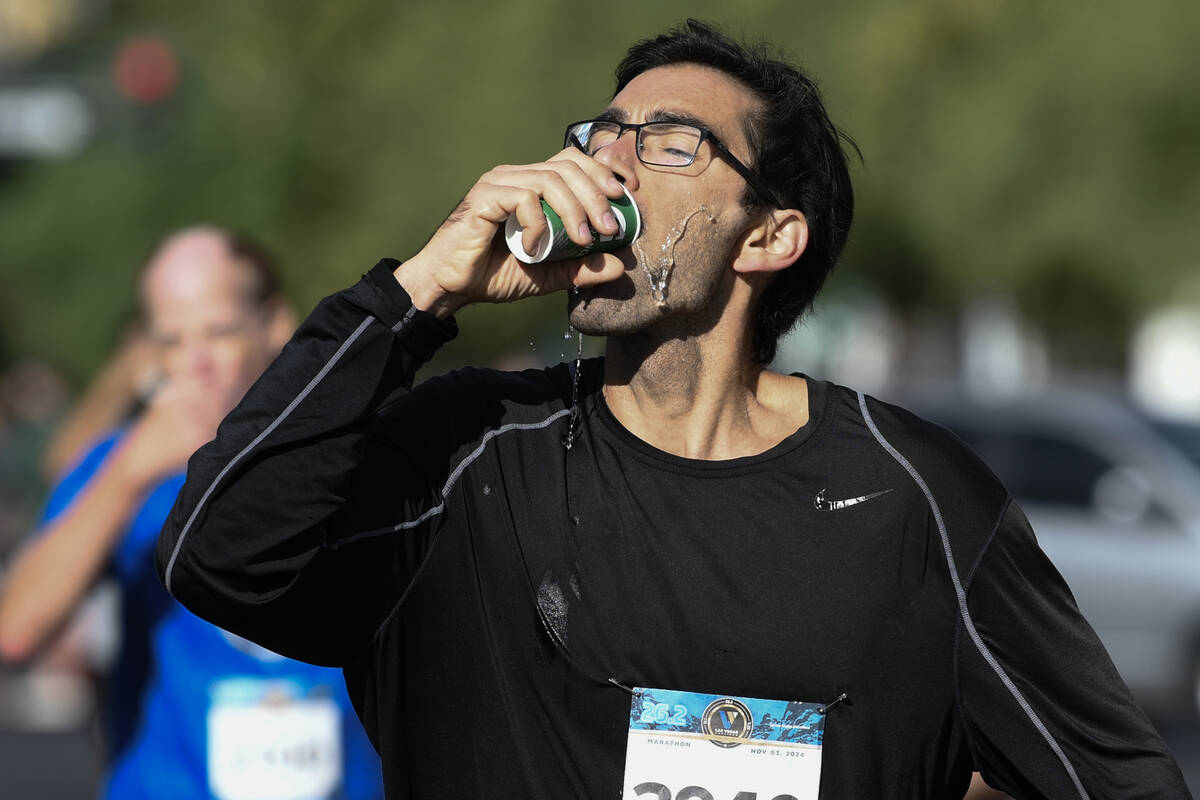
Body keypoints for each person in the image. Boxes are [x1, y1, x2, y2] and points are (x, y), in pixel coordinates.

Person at [156, 22, 1190, 800]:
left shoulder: (911, 500)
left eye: (669, 142)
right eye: (602, 133)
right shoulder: (466, 457)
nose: (608, 160)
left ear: (769, 238)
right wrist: (418, 293)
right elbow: (216, 550)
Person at [0, 228, 384, 800]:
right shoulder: (120, 466)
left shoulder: (357, 454)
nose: (195, 363)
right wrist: (128, 476)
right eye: (171, 341)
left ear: (274, 325)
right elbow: (16, 632)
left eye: (219, 332)